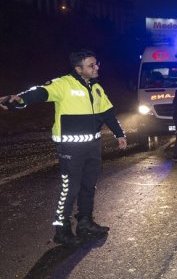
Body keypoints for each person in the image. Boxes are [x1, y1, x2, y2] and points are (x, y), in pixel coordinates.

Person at [0, 49, 127, 246]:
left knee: (88, 186)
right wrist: (20, 99)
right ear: (78, 68)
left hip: (93, 145)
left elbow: (108, 114)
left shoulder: (96, 88)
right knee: (70, 188)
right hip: (70, 147)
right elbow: (41, 92)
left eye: (96, 64)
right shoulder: (63, 84)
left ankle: (85, 223)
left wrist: (120, 134)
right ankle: (62, 230)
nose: (96, 68)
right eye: (91, 65)